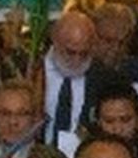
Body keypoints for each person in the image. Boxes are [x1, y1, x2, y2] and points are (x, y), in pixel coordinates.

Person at [43, 11, 120, 150]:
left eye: (84, 54)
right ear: (55, 41)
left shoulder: (104, 78)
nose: (77, 60)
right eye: (70, 52)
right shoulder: (32, 70)